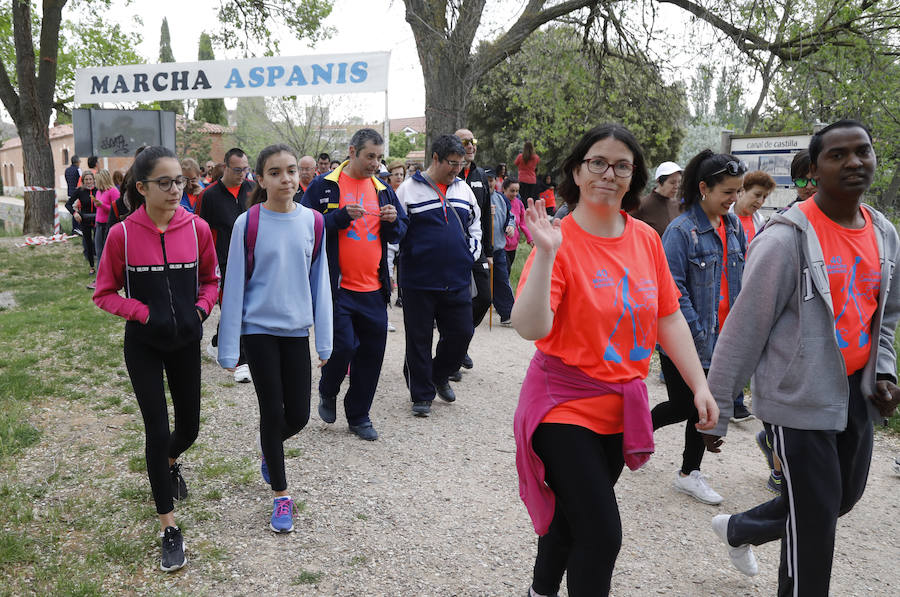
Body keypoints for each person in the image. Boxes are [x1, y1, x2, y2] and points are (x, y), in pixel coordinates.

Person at [511, 124, 718, 597]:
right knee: (602, 535)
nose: (609, 173)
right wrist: (545, 255)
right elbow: (530, 327)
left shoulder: (646, 238)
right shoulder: (558, 239)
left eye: (622, 165)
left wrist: (700, 385)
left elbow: (668, 317)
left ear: (634, 176)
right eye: (598, 162)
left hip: (620, 408)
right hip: (562, 405)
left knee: (570, 520)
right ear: (577, 171)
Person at [704, 120, 900, 594]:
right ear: (814, 169)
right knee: (814, 526)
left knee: (840, 498)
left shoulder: (884, 234)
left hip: (855, 391)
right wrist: (717, 410)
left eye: (862, 151)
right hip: (797, 399)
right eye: (837, 155)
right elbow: (744, 330)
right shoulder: (784, 239)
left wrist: (885, 370)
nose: (853, 162)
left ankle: (740, 529)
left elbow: (885, 316)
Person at [93, 145, 218, 572]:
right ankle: (168, 525)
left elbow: (211, 281)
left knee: (189, 428)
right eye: (164, 182)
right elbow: (104, 294)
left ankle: (168, 463)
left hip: (185, 341)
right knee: (157, 428)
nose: (175, 189)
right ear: (142, 187)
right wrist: (143, 313)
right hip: (144, 344)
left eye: (179, 181)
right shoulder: (122, 235)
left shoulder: (198, 228)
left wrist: (199, 311)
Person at [217, 143, 332, 533]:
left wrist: (325, 342)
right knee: (271, 410)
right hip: (259, 332)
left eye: (291, 171)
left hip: (296, 331)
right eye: (275, 172)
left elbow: (321, 284)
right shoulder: (247, 223)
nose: (286, 179)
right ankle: (281, 497)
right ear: (261, 179)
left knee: (298, 415)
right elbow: (234, 285)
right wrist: (230, 349)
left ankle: (269, 447)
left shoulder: (314, 222)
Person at [654, 150, 748, 505]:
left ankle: (688, 473)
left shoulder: (734, 227)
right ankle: (631, 432)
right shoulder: (681, 231)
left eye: (738, 191)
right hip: (686, 338)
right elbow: (672, 290)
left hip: (723, 338)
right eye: (728, 191)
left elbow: (741, 279)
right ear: (704, 188)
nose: (734, 198)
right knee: (684, 406)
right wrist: (696, 333)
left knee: (700, 407)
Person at [301, 129, 407, 441]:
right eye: (369, 156)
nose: (375, 163)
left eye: (379, 157)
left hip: (373, 288)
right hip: (337, 289)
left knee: (372, 355)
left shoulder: (383, 189)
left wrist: (394, 221)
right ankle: (328, 388)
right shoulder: (324, 185)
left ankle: (359, 416)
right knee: (343, 346)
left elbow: (401, 230)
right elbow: (305, 227)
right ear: (352, 152)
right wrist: (338, 218)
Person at [396, 134, 481, 416]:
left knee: (462, 333)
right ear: (435, 158)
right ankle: (421, 395)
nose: (457, 169)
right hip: (418, 280)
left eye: (460, 164)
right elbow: (395, 234)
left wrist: (470, 255)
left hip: (456, 277)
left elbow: (475, 225)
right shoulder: (408, 190)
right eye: (452, 163)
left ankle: (439, 374)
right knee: (419, 338)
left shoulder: (464, 190)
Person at [196, 147, 255, 383]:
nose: (242, 174)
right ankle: (242, 362)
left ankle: (216, 343)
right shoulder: (209, 195)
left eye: (245, 169)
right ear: (226, 167)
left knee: (246, 308)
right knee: (235, 309)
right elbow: (200, 232)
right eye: (237, 170)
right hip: (224, 263)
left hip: (253, 260)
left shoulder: (253, 190)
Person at [454, 128, 493, 372]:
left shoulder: (480, 175)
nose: (471, 145)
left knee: (485, 297)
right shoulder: (449, 173)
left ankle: (460, 342)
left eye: (473, 141)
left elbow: (486, 214)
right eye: (465, 142)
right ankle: (453, 352)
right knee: (456, 301)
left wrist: (489, 251)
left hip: (477, 248)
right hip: (453, 249)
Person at [488, 173, 516, 326]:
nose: (489, 183)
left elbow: (509, 216)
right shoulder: (476, 196)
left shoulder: (501, 199)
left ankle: (508, 314)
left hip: (498, 248)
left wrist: (510, 226)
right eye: (486, 181)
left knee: (502, 281)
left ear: (495, 181)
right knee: (478, 283)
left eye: (491, 180)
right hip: (481, 250)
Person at [631, 161, 683, 237]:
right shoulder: (642, 205)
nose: (677, 186)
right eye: (672, 182)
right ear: (659, 181)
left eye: (679, 182)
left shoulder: (679, 206)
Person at [66, 170, 98, 283]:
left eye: (90, 179)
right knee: (88, 243)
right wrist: (75, 213)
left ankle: (102, 266)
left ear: (94, 180)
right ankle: (92, 267)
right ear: (83, 181)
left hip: (98, 220)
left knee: (98, 243)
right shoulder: (80, 191)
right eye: (86, 180)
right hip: (85, 220)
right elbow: (68, 204)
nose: (89, 182)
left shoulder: (98, 190)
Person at [732, 170, 775, 244]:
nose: (760, 201)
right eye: (757, 195)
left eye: (764, 197)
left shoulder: (761, 223)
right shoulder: (722, 217)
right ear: (742, 191)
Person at [92, 169, 120, 267]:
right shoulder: (98, 192)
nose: (95, 182)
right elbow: (98, 208)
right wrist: (97, 204)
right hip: (99, 224)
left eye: (97, 180)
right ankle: (100, 274)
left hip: (108, 225)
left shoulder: (113, 191)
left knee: (107, 252)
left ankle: (107, 272)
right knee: (98, 251)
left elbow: (116, 209)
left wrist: (102, 205)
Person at [504, 176, 533, 271]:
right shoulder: (500, 202)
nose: (515, 194)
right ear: (504, 189)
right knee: (504, 270)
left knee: (508, 270)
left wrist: (530, 239)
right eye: (512, 191)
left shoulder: (519, 203)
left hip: (513, 244)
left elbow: (523, 224)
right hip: (501, 245)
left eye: (517, 191)